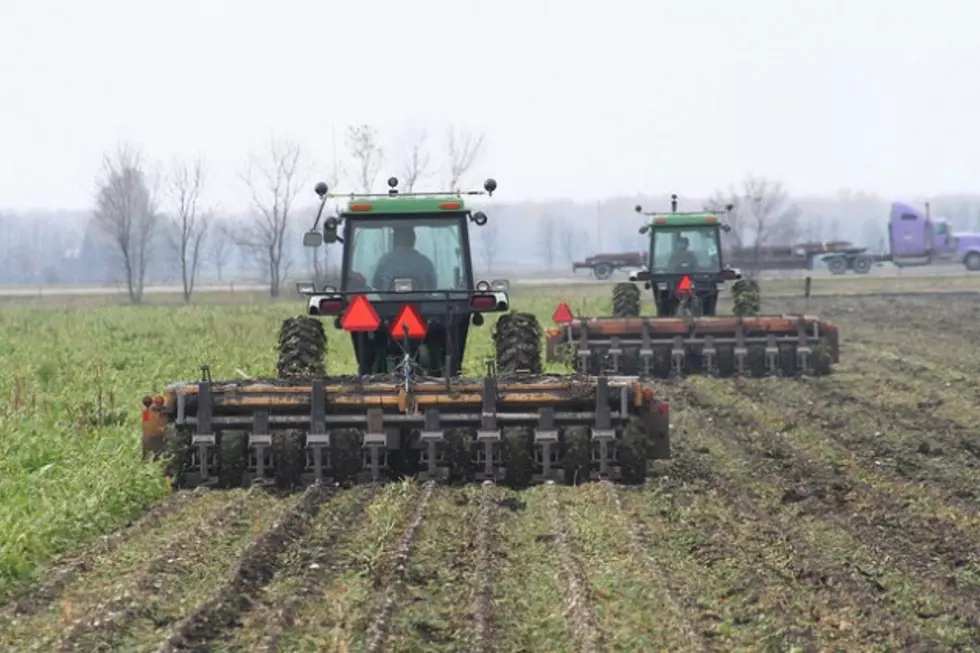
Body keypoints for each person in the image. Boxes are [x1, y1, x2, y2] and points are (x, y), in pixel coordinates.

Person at [372, 224, 438, 290]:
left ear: (395, 240)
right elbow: (432, 286)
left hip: (389, 300)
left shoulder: (384, 262)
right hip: (420, 300)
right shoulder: (425, 263)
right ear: (413, 239)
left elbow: (376, 284)